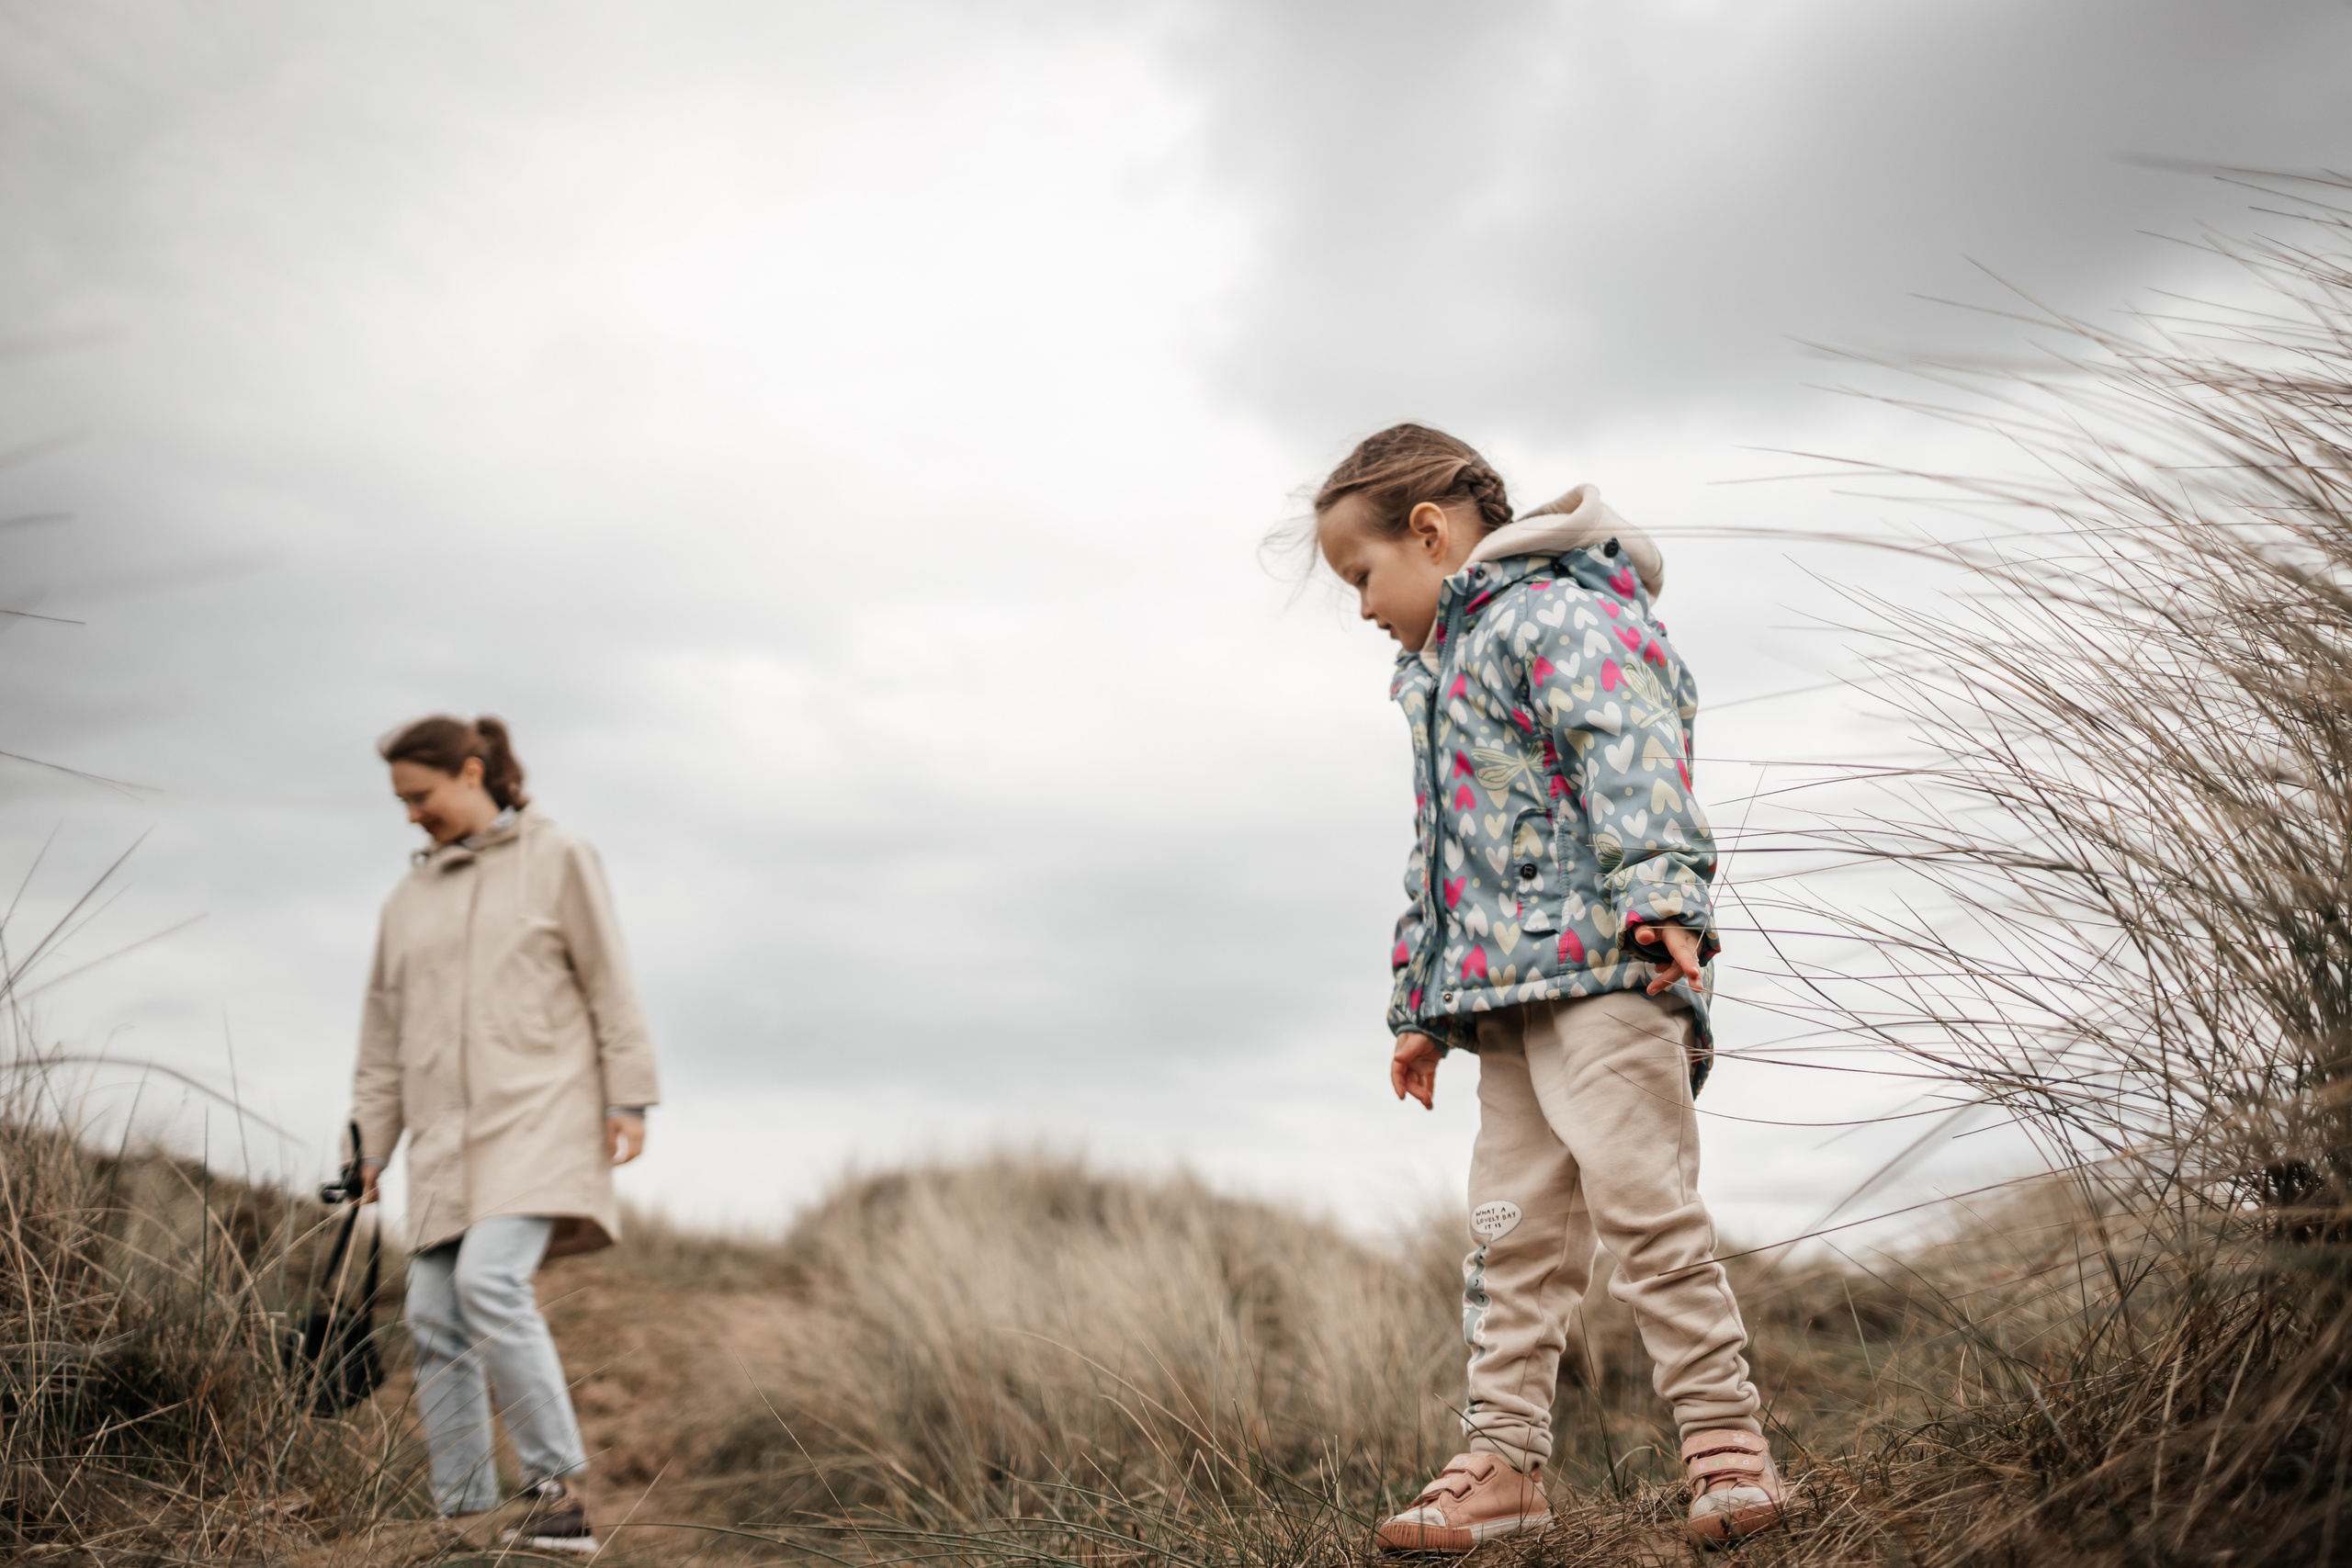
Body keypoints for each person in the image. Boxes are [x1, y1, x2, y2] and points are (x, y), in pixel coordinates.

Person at [1309, 426, 1783, 1549]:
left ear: (1428, 533)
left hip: (1610, 971)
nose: (1363, 608)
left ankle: (1725, 1444)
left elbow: (1630, 742)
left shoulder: (1557, 610)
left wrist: (1666, 891)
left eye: (1362, 576)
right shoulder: (1438, 671)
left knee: (1645, 1208)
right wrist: (1421, 1007)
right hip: (1509, 994)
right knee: (1509, 1234)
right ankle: (1505, 1460)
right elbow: (1444, 853)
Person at [348, 715, 661, 1552]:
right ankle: (466, 1512)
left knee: (490, 1282)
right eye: (401, 801)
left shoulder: (559, 857)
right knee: (431, 1312)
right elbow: (381, 1039)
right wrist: (368, 1148)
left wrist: (628, 1096)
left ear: (474, 771)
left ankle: (558, 1493)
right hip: (445, 1142)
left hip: (543, 1120)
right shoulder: (407, 899)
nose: (412, 813)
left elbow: (610, 979)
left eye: (421, 795)